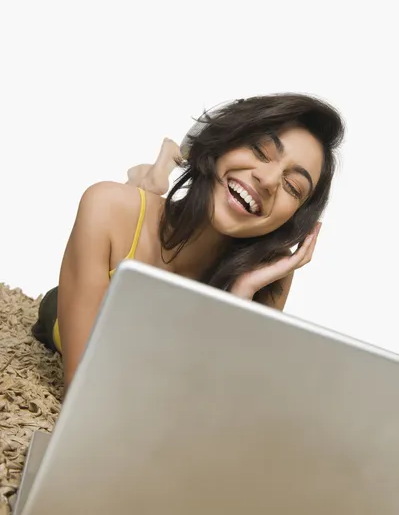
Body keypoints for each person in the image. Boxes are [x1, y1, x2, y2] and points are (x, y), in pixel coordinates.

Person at [33, 93, 345, 391]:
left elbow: (215, 403)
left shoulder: (270, 274)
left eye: (292, 186)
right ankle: (152, 178)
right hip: (63, 314)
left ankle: (154, 176)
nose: (267, 179)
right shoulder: (107, 206)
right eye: (261, 151)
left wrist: (240, 298)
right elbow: (84, 387)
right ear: (225, 141)